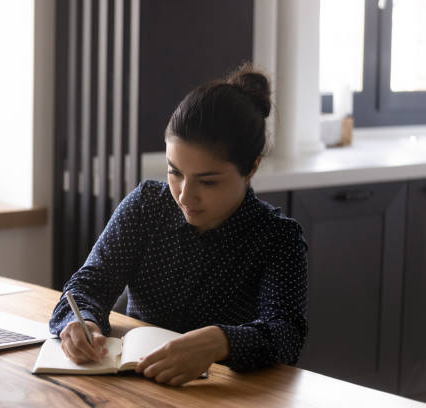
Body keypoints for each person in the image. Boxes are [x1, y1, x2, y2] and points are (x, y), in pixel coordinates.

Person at [48, 63, 308, 387]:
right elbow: (88, 285)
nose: (185, 196)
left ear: (252, 167)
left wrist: (220, 341)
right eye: (175, 172)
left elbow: (286, 333)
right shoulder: (147, 205)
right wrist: (78, 322)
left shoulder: (277, 237)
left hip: (223, 395)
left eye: (208, 182)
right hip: (135, 386)